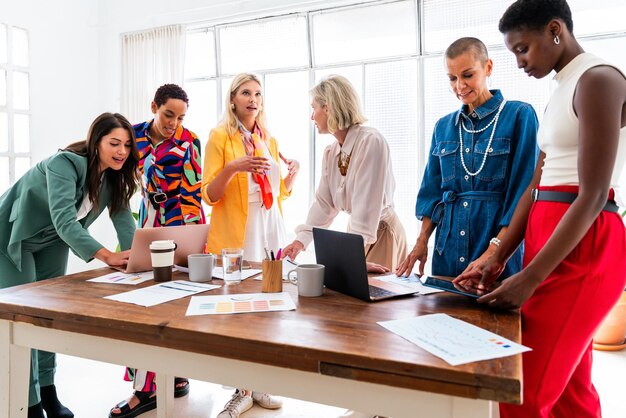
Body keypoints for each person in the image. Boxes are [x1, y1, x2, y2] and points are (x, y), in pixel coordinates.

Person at [454, 1, 626, 417]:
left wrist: (529, 278)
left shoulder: (599, 79)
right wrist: (497, 256)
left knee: (521, 392)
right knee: (570, 391)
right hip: (551, 234)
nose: (518, 62)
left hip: (584, 243)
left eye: (522, 49)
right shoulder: (563, 86)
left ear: (555, 30)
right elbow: (536, 186)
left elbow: (592, 194)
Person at [0, 112, 139, 418]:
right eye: (114, 143)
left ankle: (48, 393)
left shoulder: (114, 177)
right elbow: (65, 220)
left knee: (46, 318)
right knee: (25, 319)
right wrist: (108, 256)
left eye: (127, 145)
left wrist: (137, 260)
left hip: (49, 241)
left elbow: (124, 221)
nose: (121, 152)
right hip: (11, 238)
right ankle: (30, 404)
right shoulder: (63, 164)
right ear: (96, 141)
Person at [395, 37, 539, 281]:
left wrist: (494, 252)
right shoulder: (443, 126)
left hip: (495, 254)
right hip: (447, 253)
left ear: (488, 68)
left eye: (468, 75)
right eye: (452, 78)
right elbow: (432, 192)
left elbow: (523, 193)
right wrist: (421, 242)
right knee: (440, 318)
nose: (460, 86)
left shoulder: (519, 115)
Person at [201, 73, 298, 417]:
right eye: (246, 93)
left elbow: (276, 193)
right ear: (232, 99)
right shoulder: (218, 137)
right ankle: (239, 390)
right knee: (238, 313)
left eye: (258, 93)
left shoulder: (267, 138)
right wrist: (233, 167)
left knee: (268, 307)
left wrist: (290, 178)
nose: (253, 99)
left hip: (270, 228)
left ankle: (260, 382)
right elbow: (209, 195)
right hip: (240, 233)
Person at [110, 84, 205, 418]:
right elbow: (117, 176)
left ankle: (176, 376)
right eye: (168, 114)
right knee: (143, 302)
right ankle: (144, 387)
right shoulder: (130, 135)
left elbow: (193, 193)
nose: (173, 123)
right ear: (154, 106)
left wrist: (191, 241)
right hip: (147, 217)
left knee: (178, 301)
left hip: (182, 219)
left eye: (180, 117)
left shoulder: (189, 141)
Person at [282, 75, 407, 274]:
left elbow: (366, 206)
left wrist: (353, 255)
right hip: (358, 235)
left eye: (313, 108)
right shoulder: (331, 153)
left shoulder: (371, 142)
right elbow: (324, 204)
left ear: (329, 107)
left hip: (381, 233)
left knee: (372, 300)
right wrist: (300, 240)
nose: (311, 116)